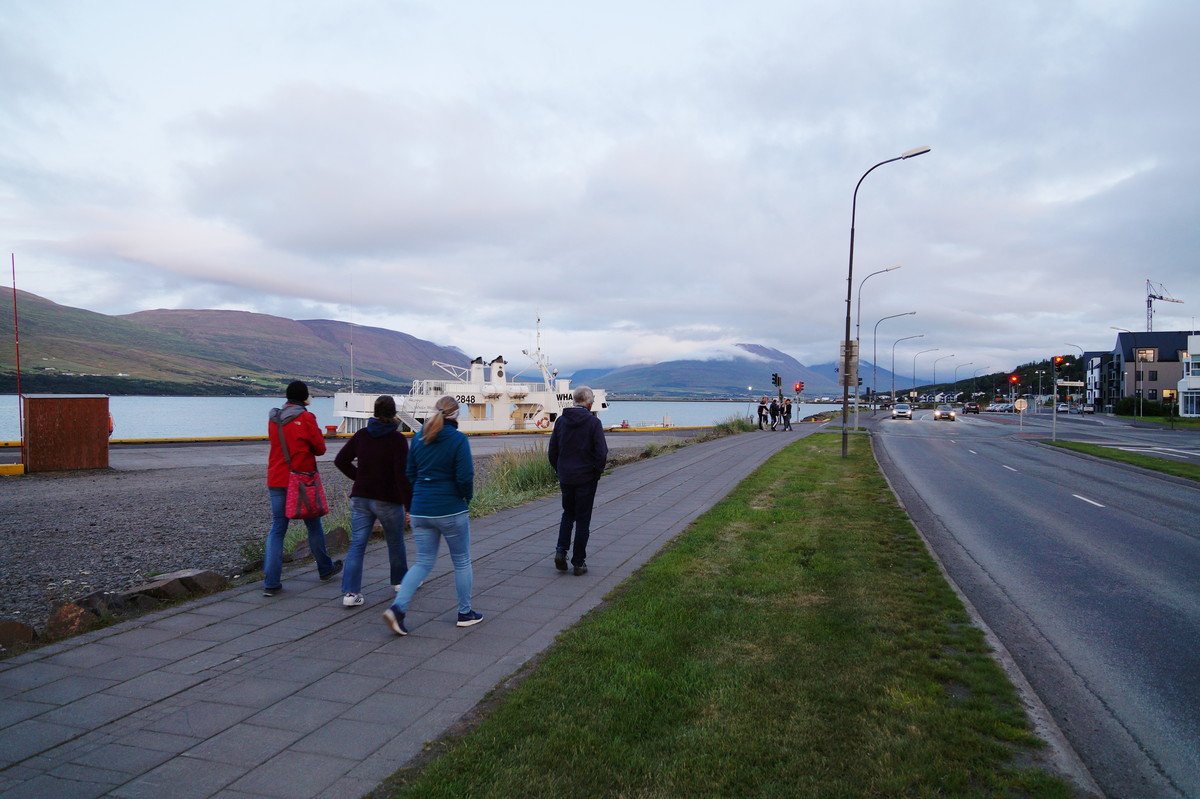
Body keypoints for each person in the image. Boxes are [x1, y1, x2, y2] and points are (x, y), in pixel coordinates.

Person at [383, 396, 481, 635]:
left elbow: (410, 473)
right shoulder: (458, 440)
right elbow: (465, 477)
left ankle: (398, 609)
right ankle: (465, 612)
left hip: (421, 509)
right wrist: (465, 498)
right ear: (456, 414)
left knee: (423, 562)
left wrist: (420, 494)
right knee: (461, 561)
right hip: (450, 508)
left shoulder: (419, 438)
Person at [263, 380, 342, 597]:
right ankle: (325, 569)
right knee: (313, 524)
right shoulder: (306, 418)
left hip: (277, 478)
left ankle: (271, 582)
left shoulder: (274, 418)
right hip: (301, 480)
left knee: (277, 529)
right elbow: (320, 448)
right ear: (304, 397)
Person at [334, 395, 413, 607]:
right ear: (394, 413)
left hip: (361, 497)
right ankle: (400, 582)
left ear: (375, 412)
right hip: (388, 499)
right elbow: (402, 476)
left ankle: (351, 593)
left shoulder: (362, 435)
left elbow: (340, 460)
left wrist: (359, 478)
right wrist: (409, 506)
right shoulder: (397, 440)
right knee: (395, 541)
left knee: (358, 544)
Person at [548, 386, 609, 576]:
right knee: (583, 519)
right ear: (589, 403)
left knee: (568, 514)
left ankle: (561, 551)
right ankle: (578, 562)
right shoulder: (593, 423)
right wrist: (596, 473)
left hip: (566, 476)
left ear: (574, 400)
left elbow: (552, 451)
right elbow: (601, 452)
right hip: (586, 477)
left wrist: (560, 470)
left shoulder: (561, 421)